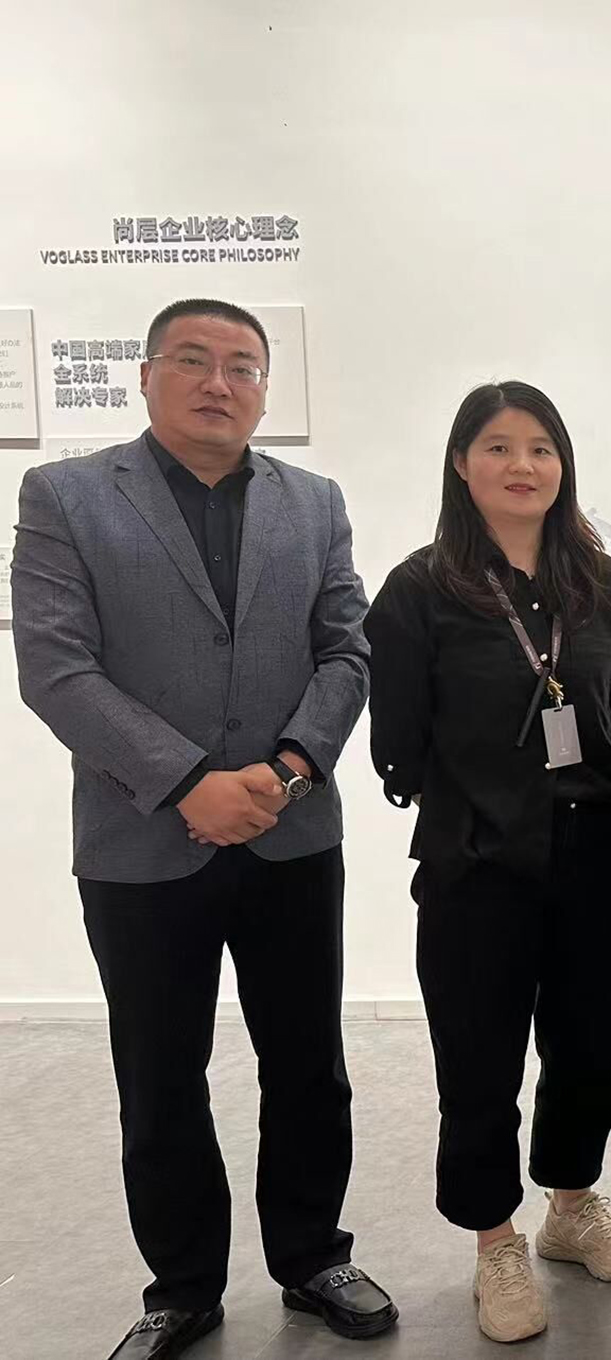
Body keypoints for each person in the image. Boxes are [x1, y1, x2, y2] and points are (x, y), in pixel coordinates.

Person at [11, 298, 395, 1359]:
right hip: (139, 843)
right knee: (159, 1073)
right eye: (192, 359)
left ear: (265, 389)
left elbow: (347, 649)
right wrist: (186, 782)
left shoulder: (313, 502)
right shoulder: (66, 496)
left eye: (242, 365)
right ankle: (181, 1286)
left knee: (307, 1061)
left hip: (290, 831)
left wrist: (288, 767)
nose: (218, 382)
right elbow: (54, 666)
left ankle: (313, 1255)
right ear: (145, 375)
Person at [364, 382, 611, 1343]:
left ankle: (571, 1204)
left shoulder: (598, 581)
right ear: (461, 463)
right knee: (479, 1061)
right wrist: (477, 797)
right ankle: (495, 1240)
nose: (521, 466)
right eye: (497, 447)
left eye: (540, 448)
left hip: (595, 856)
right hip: (475, 863)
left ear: (563, 464)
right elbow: (398, 740)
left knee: (588, 1047)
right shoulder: (419, 587)